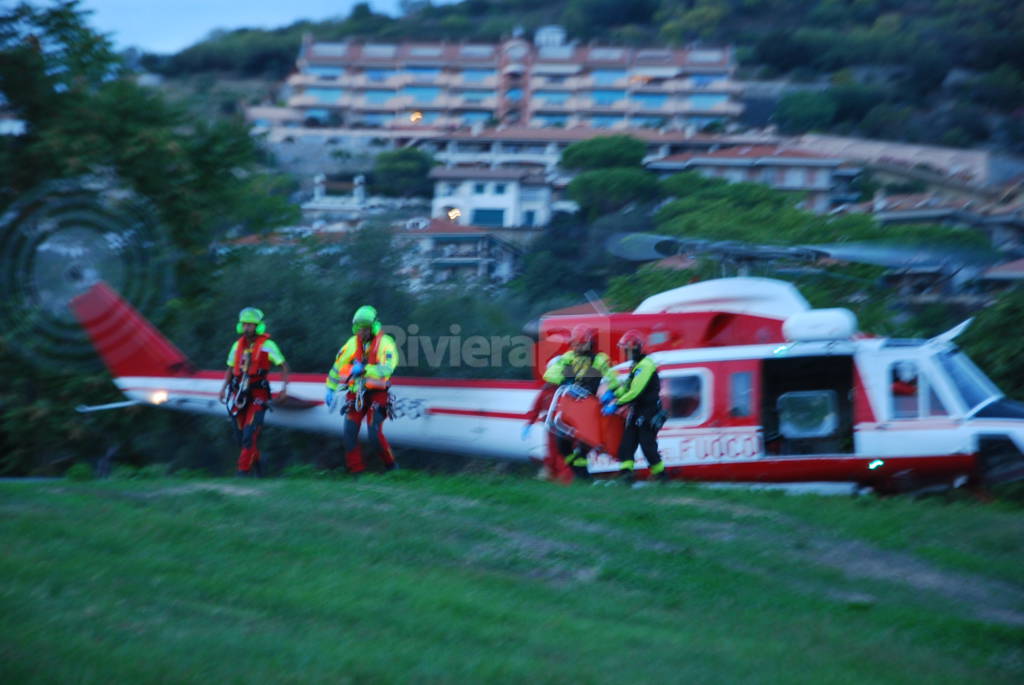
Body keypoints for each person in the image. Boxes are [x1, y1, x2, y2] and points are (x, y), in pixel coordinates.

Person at [531, 324, 620, 480]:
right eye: (575, 344)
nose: (578, 347)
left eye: (581, 343)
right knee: (562, 444)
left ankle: (583, 476)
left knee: (584, 445)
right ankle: (581, 474)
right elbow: (551, 374)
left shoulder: (599, 360)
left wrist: (610, 394)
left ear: (590, 343)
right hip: (570, 406)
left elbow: (611, 378)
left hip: (590, 406)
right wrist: (564, 381)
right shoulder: (567, 358)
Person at [324, 305, 399, 474]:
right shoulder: (352, 343)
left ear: (373, 327)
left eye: (365, 328)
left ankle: (392, 467)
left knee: (374, 434)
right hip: (356, 394)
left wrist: (365, 369)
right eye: (359, 328)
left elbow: (388, 368)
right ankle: (356, 472)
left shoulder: (385, 343)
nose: (362, 332)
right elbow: (337, 367)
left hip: (377, 394)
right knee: (349, 433)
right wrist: (330, 387)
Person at [219, 307, 289, 476]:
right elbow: (230, 368)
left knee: (250, 434)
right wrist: (223, 389)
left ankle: (241, 472)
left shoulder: (268, 345)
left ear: (258, 326)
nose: (247, 328)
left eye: (251, 325)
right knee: (240, 437)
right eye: (245, 325)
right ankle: (259, 465)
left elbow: (283, 366)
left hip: (258, 395)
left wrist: (284, 389)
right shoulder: (237, 346)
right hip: (238, 395)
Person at [602, 329, 667, 484]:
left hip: (649, 411)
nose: (626, 353)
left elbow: (635, 392)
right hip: (637, 411)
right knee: (626, 445)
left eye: (628, 350)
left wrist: (616, 404)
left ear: (638, 348)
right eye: (625, 350)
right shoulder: (636, 365)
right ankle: (626, 477)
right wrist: (613, 393)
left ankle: (662, 477)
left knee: (647, 446)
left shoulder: (645, 365)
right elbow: (627, 387)